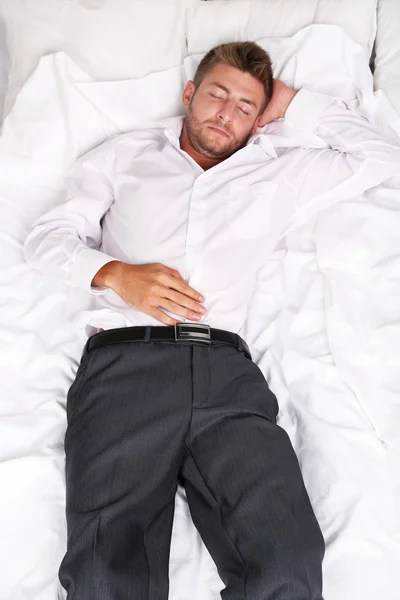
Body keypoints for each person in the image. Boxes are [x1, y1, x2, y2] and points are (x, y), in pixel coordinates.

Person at [23, 41, 400, 600]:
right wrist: (115, 273)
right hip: (126, 367)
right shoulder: (124, 156)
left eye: (246, 106)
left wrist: (292, 104)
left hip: (229, 375)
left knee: (286, 560)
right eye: (217, 95)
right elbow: (46, 240)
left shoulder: (280, 174)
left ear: (259, 119)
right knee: (106, 570)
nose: (227, 113)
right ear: (190, 94)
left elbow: (384, 159)